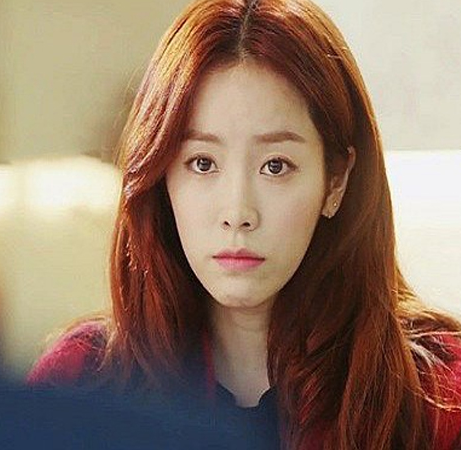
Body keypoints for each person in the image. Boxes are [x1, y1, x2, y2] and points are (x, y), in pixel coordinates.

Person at [28, 0, 461, 448]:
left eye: (275, 166)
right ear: (161, 177)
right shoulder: (79, 381)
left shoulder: (442, 396)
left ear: (335, 181)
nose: (237, 212)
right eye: (202, 163)